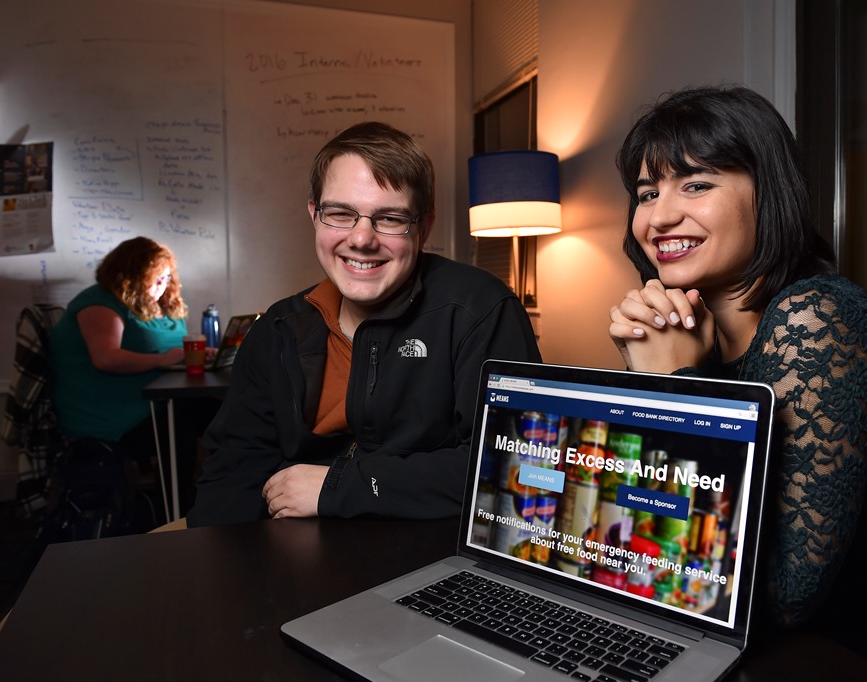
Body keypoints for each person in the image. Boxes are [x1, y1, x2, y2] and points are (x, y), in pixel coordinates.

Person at [608, 86, 867, 682]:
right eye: (647, 193)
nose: (658, 217)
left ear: (767, 192)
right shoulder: (685, 336)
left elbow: (775, 595)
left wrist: (675, 387)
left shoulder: (819, 321)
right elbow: (641, 527)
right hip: (740, 631)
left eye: (696, 184)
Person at [187, 122, 541, 526]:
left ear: (424, 227)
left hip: (428, 562)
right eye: (340, 214)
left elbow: (519, 467)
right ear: (315, 216)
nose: (361, 239)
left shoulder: (481, 310)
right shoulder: (279, 328)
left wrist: (340, 485)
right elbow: (232, 472)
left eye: (389, 219)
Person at [50, 236, 201, 465]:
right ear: (130, 278)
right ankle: (178, 498)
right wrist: (163, 360)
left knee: (220, 412)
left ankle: (199, 494)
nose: (163, 285)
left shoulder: (158, 304)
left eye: (167, 277)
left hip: (156, 404)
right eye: (156, 279)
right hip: (111, 418)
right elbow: (106, 358)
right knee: (192, 420)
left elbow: (175, 349)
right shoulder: (100, 302)